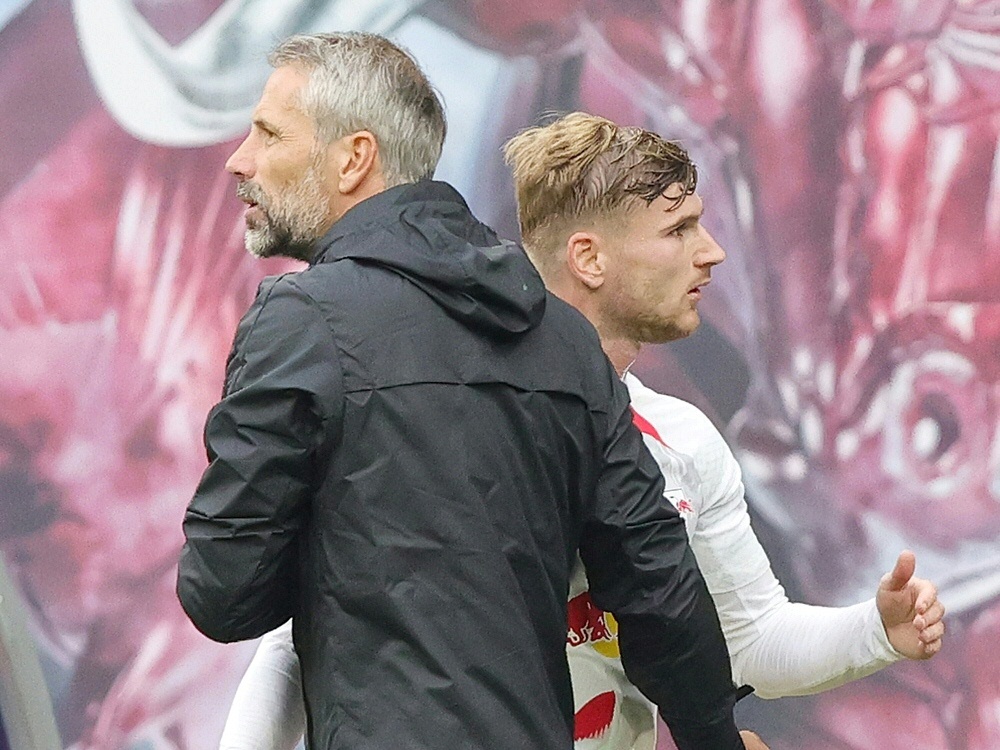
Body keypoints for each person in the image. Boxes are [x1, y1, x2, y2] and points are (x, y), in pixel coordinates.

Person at [217, 111, 946, 750]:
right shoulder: (438, 411)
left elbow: (748, 640)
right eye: (679, 229)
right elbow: (297, 645)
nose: (710, 252)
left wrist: (875, 630)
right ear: (589, 258)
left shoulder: (683, 439)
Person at [176, 34, 749, 750]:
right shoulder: (562, 337)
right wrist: (716, 738)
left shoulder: (300, 322)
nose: (240, 159)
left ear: (354, 158)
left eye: (267, 132)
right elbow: (659, 591)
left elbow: (224, 594)